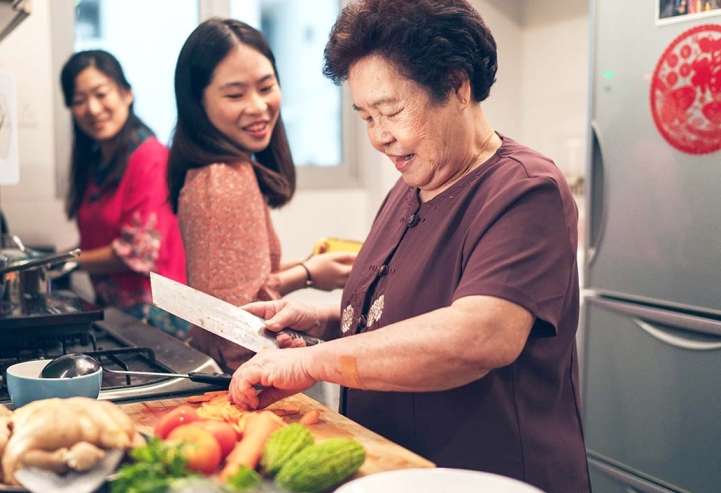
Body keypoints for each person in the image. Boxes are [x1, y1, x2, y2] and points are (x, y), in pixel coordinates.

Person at [227, 1, 591, 491]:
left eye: (392, 111)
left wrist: (307, 362)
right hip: (400, 468)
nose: (379, 137)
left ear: (458, 87)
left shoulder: (527, 189)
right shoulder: (409, 188)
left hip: (490, 474)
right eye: (365, 118)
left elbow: (478, 334)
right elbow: (405, 314)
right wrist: (326, 321)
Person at [167, 19, 356, 372]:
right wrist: (307, 274)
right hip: (242, 374)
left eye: (266, 87)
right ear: (198, 103)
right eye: (235, 95)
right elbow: (236, 313)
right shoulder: (225, 179)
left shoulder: (212, 173)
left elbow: (230, 276)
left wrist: (309, 267)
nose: (257, 106)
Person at [60, 50, 189, 339]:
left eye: (101, 94)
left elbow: (138, 251)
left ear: (126, 94)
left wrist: (62, 262)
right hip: (120, 317)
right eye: (80, 100)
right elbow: (100, 240)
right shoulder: (98, 165)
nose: (93, 108)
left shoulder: (150, 156)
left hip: (159, 320)